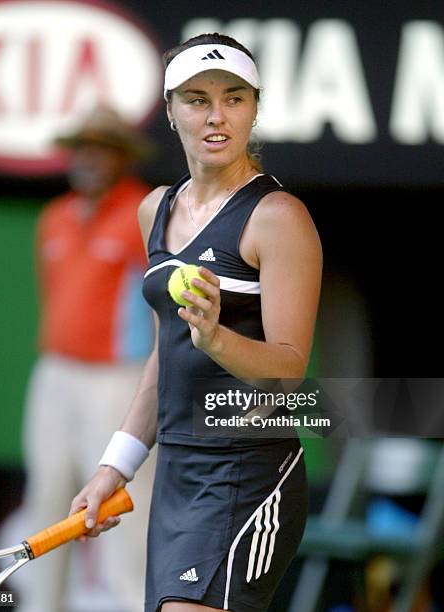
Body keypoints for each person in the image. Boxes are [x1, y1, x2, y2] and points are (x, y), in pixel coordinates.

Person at [70, 33, 323, 612]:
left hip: (249, 471)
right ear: (169, 109)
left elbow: (288, 372)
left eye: (234, 98)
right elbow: (165, 358)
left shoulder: (278, 217)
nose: (216, 116)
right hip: (176, 476)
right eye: (196, 99)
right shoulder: (153, 209)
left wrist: (216, 338)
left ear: (255, 107)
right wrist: (118, 466)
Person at [19, 106, 156, 612]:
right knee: (47, 500)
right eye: (83, 147)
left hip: (118, 379)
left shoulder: (143, 213)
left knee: (123, 507)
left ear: (122, 156)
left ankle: (134, 604)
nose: (90, 158)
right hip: (56, 374)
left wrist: (150, 383)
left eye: (103, 148)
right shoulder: (54, 216)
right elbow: (51, 297)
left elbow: (163, 303)